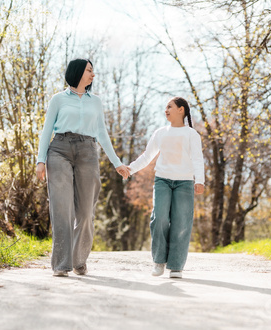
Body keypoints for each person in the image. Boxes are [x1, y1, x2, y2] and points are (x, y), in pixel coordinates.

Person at [36, 58, 129, 277]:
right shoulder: (58, 99)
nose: (93, 75)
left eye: (93, 71)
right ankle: (61, 264)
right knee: (62, 209)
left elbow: (102, 133)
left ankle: (79, 259)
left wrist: (117, 163)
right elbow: (47, 129)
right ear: (78, 72)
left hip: (88, 151)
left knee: (86, 212)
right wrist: (41, 160)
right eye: (89, 70)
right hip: (59, 150)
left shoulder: (95, 102)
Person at [127, 96, 204, 279]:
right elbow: (147, 157)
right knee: (159, 218)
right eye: (165, 107)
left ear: (181, 110)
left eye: (170, 107)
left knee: (181, 222)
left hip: (184, 183)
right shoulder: (160, 132)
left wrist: (199, 180)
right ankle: (159, 261)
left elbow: (197, 159)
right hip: (162, 180)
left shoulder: (192, 135)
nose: (166, 110)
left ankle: (176, 266)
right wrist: (130, 169)